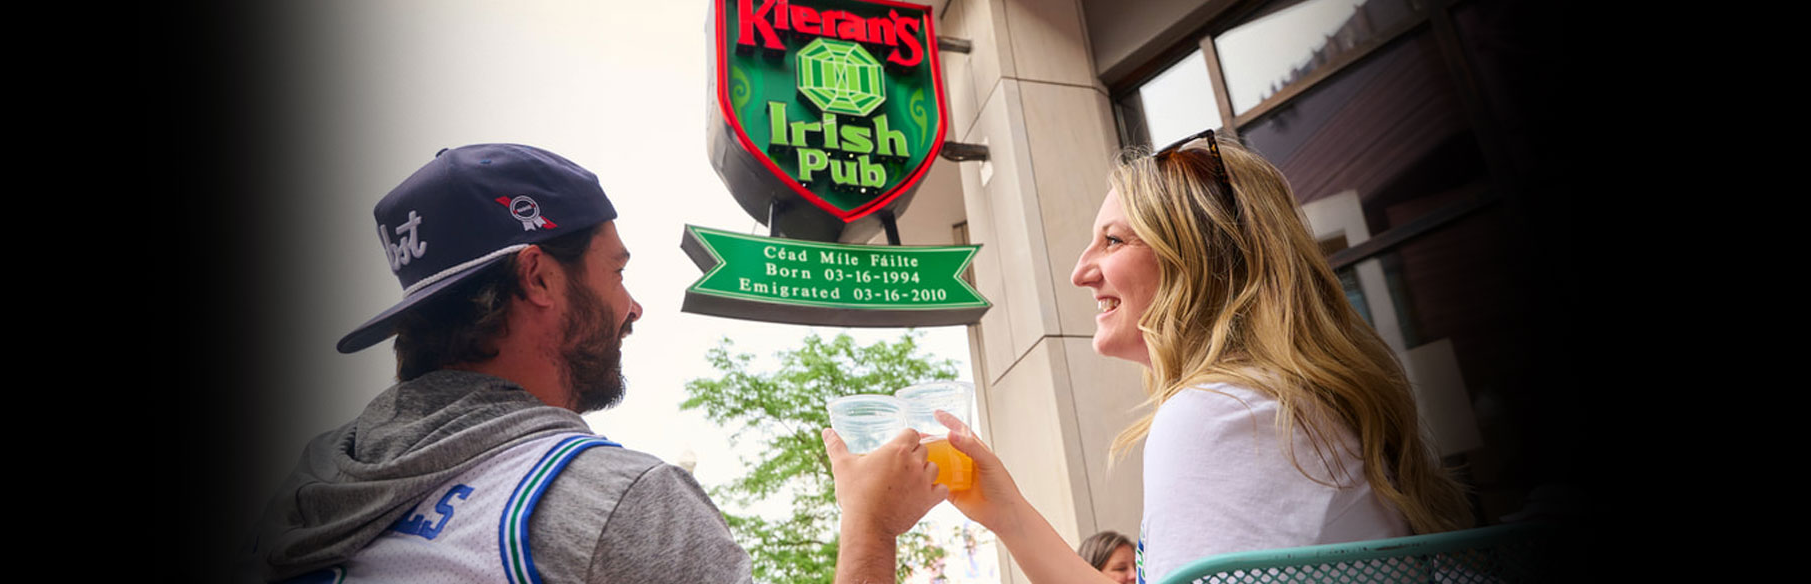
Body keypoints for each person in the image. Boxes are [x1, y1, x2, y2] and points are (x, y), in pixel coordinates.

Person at [251, 143, 946, 583]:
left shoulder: (301, 502)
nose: (633, 306)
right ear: (539, 278)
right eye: (615, 272)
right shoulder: (612, 503)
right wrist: (871, 528)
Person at [858, 131, 1474, 583]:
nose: (1079, 271)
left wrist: (869, 527)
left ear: (1197, 261)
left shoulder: (1218, 413)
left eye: (1113, 240)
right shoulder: (1270, 402)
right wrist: (1006, 512)